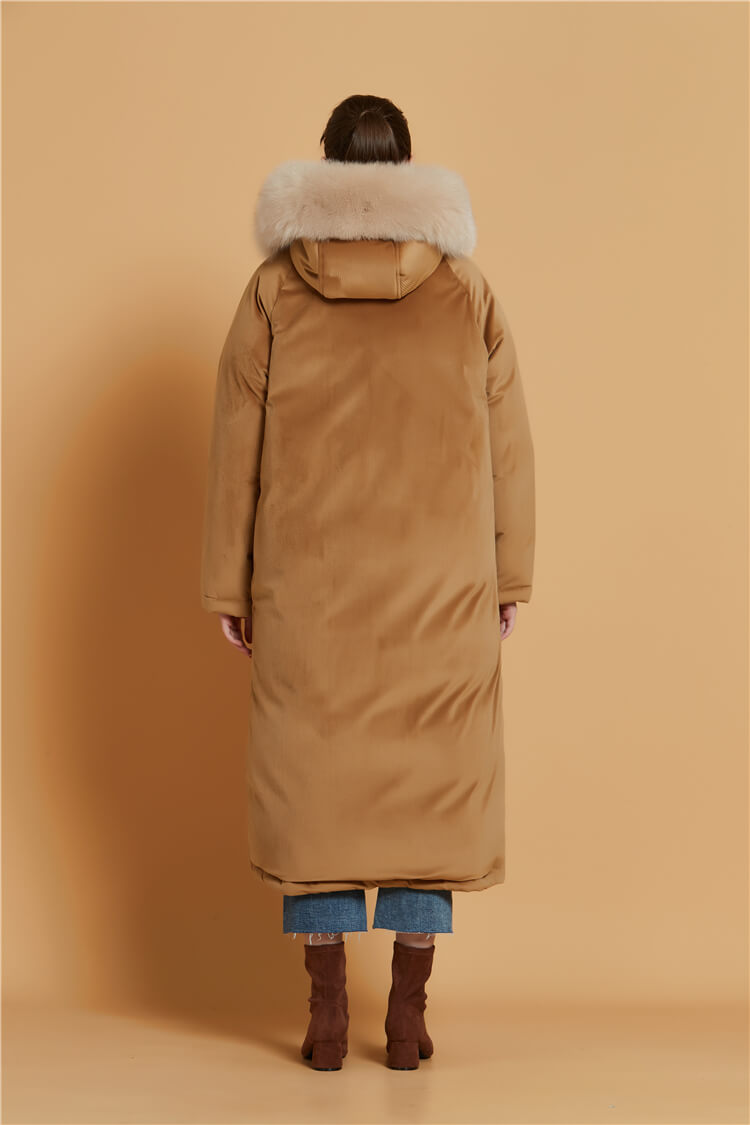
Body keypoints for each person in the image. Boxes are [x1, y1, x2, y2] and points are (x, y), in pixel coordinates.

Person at [200, 93, 535, 1071]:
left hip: (310, 595)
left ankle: (325, 1016)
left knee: (318, 796)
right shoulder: (465, 291)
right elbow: (509, 449)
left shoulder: (274, 290)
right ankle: (409, 1017)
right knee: (429, 796)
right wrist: (509, 576)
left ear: (327, 168)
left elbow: (236, 446)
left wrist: (230, 587)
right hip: (442, 589)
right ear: (408, 171)